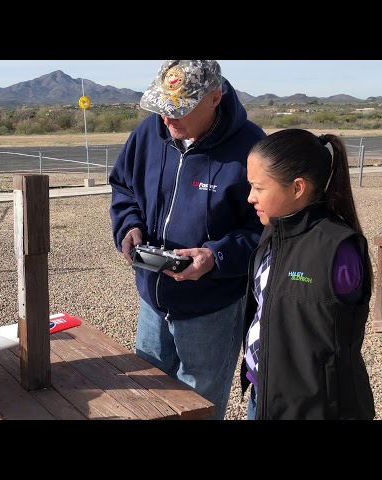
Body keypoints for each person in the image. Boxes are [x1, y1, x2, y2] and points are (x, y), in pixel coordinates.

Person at [109, 60, 266, 420]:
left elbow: (266, 229)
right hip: (152, 301)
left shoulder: (251, 147)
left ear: (214, 98)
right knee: (149, 401)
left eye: (178, 108)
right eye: (161, 105)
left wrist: (216, 257)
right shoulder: (149, 133)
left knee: (198, 407)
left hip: (211, 310)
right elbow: (123, 188)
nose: (166, 116)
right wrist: (128, 226)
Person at [241, 128, 375, 420]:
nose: (250, 197)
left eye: (259, 188)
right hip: (262, 396)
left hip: (315, 408)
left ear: (297, 188)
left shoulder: (338, 248)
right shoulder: (272, 232)